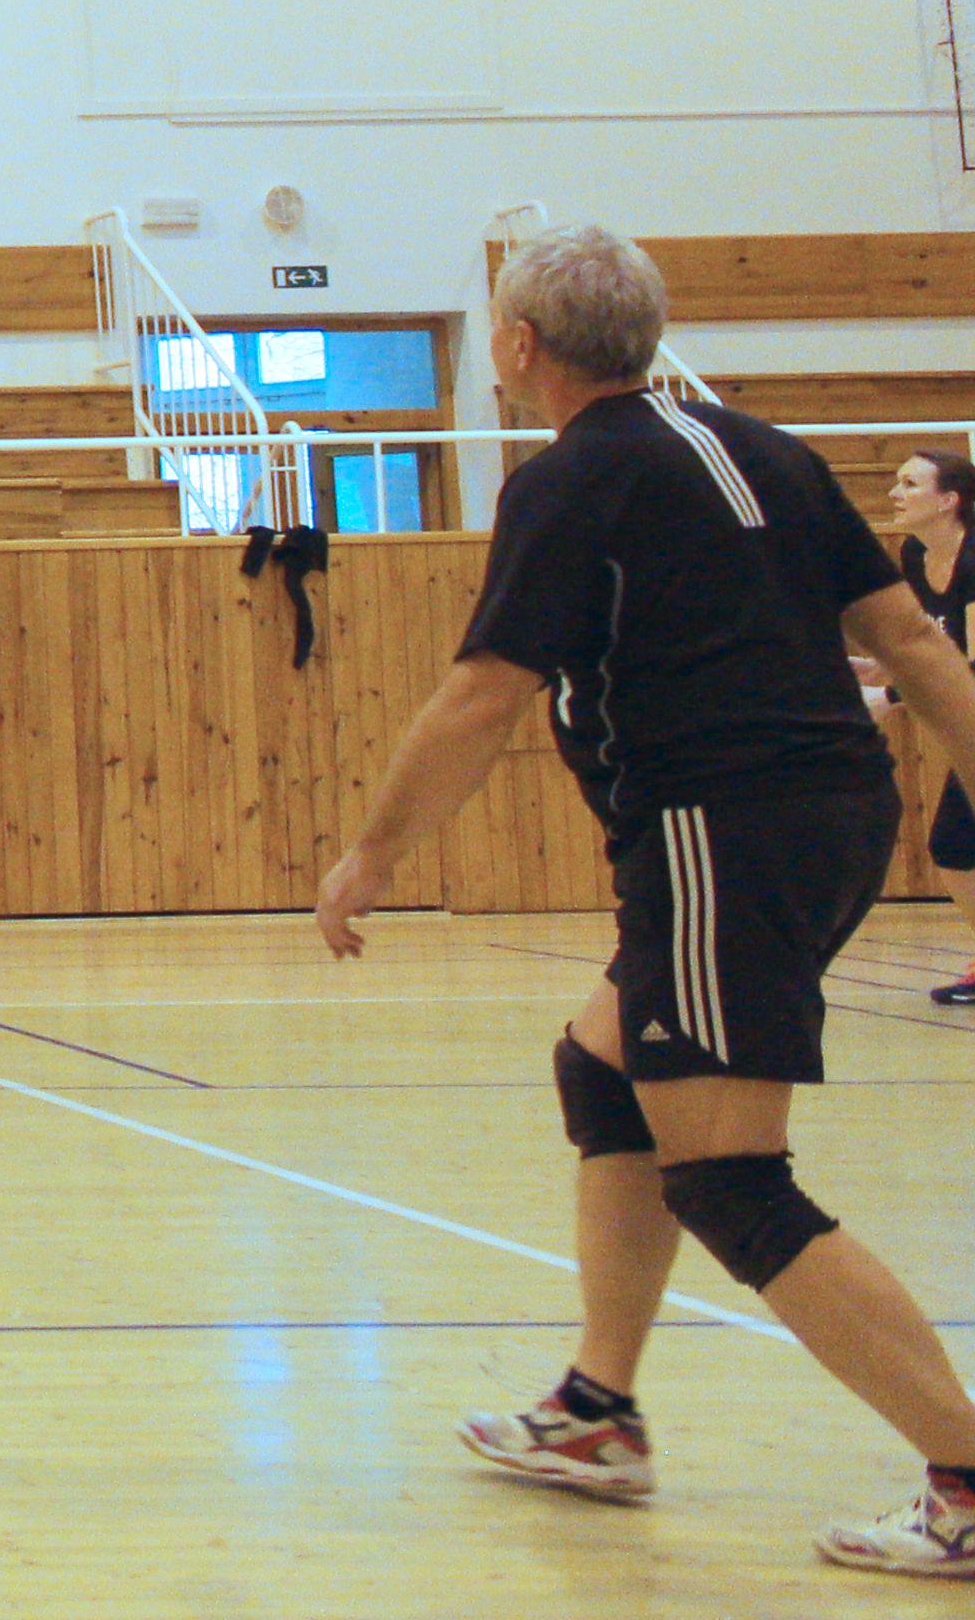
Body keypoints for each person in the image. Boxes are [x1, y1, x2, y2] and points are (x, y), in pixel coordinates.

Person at [320, 225, 975, 1577]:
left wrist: (372, 855)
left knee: (732, 1179)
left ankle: (966, 1473)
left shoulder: (573, 482)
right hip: (827, 815)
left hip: (719, 832)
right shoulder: (768, 449)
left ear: (518, 346)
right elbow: (910, 640)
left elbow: (483, 695)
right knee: (605, 1068)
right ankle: (596, 1414)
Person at [881, 451, 975, 1004]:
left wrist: (891, 695)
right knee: (956, 846)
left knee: (957, 842)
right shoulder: (915, 555)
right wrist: (876, 672)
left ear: (948, 500)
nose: (896, 493)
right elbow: (932, 649)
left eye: (910, 484)